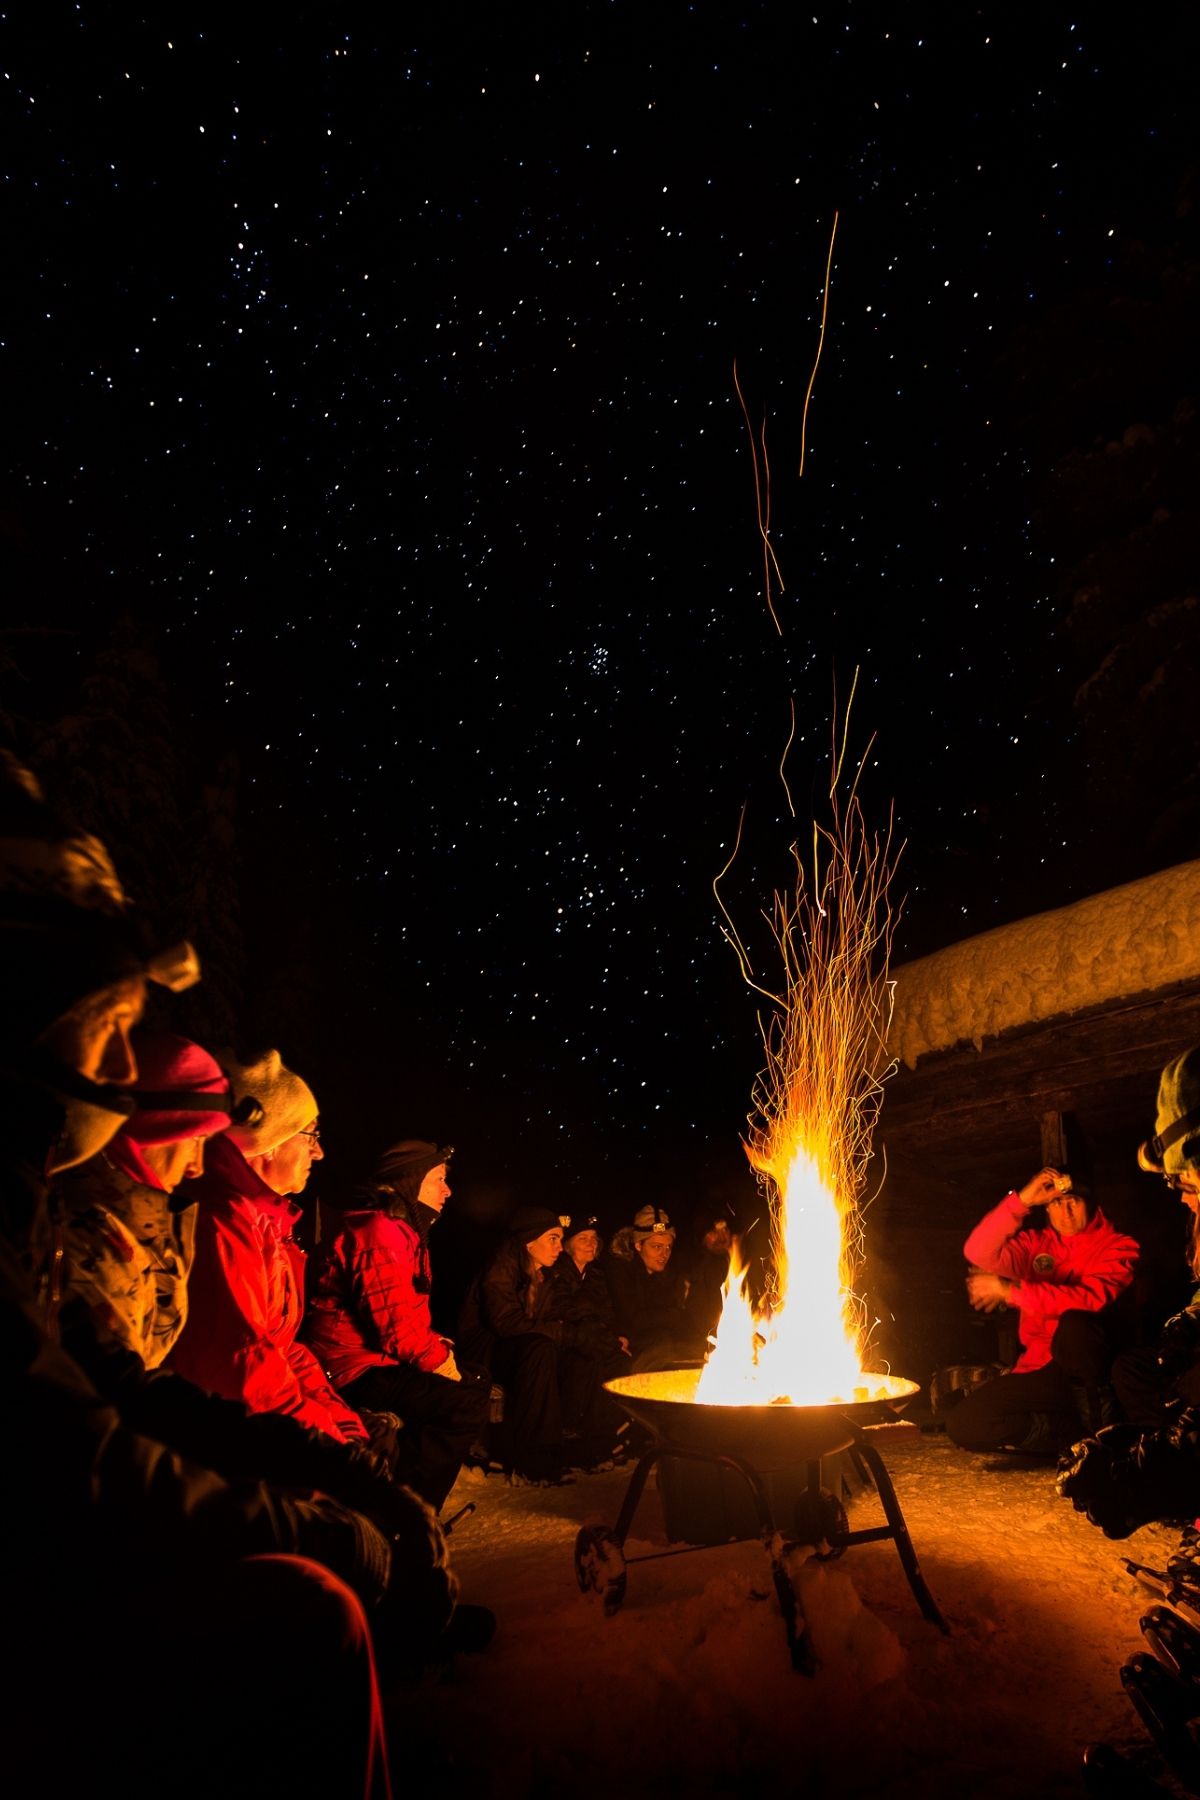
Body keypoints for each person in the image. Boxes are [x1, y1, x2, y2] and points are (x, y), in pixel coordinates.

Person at [0, 753, 447, 1798]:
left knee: (334, 1558)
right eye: (108, 1025)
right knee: (308, 1612)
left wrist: (341, 1480)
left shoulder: (36, 1206)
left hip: (73, 1548)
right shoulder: (103, 1214)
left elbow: (112, 1385)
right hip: (33, 1609)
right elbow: (73, 1457)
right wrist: (311, 1499)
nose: (116, 1068)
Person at [169, 1048, 380, 1450]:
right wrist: (330, 1448)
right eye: (311, 1135)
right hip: (219, 1439)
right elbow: (244, 1367)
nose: (319, 1152)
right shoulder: (224, 1221)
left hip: (257, 1425)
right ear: (268, 1142)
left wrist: (341, 1424)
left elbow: (283, 1349)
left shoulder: (267, 1222)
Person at [304, 1138, 491, 1512]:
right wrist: (441, 1364)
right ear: (410, 1180)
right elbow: (396, 1331)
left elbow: (401, 1312)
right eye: (439, 1178)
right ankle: (408, 1513)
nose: (448, 1190)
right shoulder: (379, 1233)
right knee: (464, 1404)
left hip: (373, 1360)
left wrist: (438, 1344)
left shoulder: (399, 1231)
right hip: (351, 1368)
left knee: (476, 1380)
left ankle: (397, 1485)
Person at [1060, 1047, 1200, 1545]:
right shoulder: (1042, 1244)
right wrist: (1188, 1324)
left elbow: (1085, 1302)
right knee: (1138, 1371)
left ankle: (1169, 1477)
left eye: (1181, 1179)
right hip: (1052, 1371)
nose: (1178, 1194)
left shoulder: (1114, 1245)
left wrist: (1159, 1475)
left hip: (1081, 1364)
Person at [51, 1027, 235, 1366]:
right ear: (153, 1131)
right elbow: (120, 1388)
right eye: (195, 1140)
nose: (197, 1168)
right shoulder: (94, 1235)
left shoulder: (133, 1223)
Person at [947, 1165, 1139, 1456]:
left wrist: (1013, 1292)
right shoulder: (1036, 1245)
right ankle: (1065, 1434)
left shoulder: (1119, 1247)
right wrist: (1021, 1200)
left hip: (1093, 1373)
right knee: (965, 1423)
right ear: (1046, 1209)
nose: (1065, 1212)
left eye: (1073, 1201)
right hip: (1041, 1370)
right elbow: (978, 1251)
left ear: (1090, 1203)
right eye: (1056, 1203)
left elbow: (1090, 1300)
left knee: (1076, 1326)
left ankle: (1104, 1442)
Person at [457, 1205, 575, 1485]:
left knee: (571, 1352)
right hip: (485, 1351)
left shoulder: (545, 1275)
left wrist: (583, 1332)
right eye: (553, 1238)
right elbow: (506, 1323)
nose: (560, 1247)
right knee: (540, 1349)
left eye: (560, 1239)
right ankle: (532, 1459)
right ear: (529, 1242)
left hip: (517, 1347)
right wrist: (558, 1332)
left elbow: (561, 1315)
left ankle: (573, 1445)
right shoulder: (502, 1266)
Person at [546, 1213, 630, 1468]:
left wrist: (617, 1335)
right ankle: (585, 1441)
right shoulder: (556, 1272)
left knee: (622, 1362)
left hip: (594, 1339)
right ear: (568, 1244)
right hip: (566, 1343)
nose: (591, 1244)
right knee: (592, 1361)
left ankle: (611, 1436)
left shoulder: (595, 1275)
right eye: (583, 1238)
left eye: (594, 1239)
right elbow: (569, 1312)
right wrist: (606, 1338)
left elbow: (606, 1313)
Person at [606, 1204, 701, 1370]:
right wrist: (672, 1316)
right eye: (657, 1247)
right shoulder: (619, 1271)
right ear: (638, 1245)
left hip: (657, 1347)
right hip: (621, 1352)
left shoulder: (669, 1274)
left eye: (668, 1247)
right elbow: (632, 1320)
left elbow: (681, 1321)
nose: (664, 1254)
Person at [679, 1206, 735, 1352]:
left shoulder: (736, 1264)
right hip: (698, 1345)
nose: (722, 1237)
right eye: (714, 1232)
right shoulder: (690, 1270)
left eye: (725, 1230)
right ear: (701, 1236)